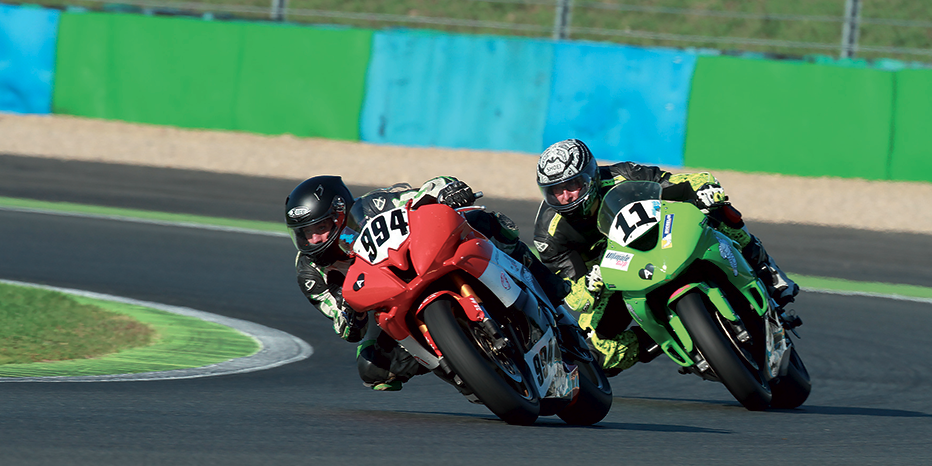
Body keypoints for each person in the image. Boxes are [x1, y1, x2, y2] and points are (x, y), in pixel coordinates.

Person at [532, 138, 799, 376]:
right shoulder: (548, 233)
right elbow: (571, 294)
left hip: (662, 239)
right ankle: (660, 338)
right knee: (600, 354)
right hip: (615, 276)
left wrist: (705, 189)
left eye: (572, 185)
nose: (565, 196)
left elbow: (679, 184)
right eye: (555, 190)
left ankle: (767, 269)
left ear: (590, 177)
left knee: (718, 209)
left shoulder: (623, 175)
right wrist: (590, 285)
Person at [285, 174, 570, 393]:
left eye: (320, 228)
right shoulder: (309, 271)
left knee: (483, 219)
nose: (315, 240)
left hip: (423, 257)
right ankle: (462, 370)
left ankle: (551, 295)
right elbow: (345, 327)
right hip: (386, 302)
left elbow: (420, 193)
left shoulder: (373, 204)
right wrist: (349, 312)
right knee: (372, 366)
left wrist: (445, 188)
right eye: (306, 233)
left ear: (338, 214)